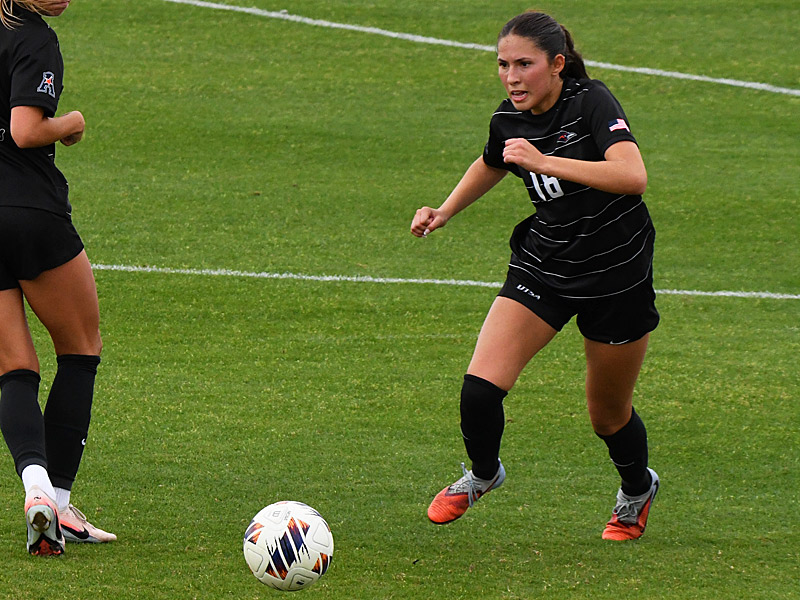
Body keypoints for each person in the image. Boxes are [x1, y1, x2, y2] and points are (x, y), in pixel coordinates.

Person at [411, 11, 660, 541]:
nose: (512, 76)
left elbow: (631, 176)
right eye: (503, 65)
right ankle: (482, 475)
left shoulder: (592, 101)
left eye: (524, 64)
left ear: (557, 65)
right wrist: (446, 210)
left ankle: (636, 489)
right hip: (545, 266)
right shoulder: (510, 118)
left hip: (616, 278)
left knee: (608, 416)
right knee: (479, 390)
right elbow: (493, 160)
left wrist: (547, 162)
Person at [0, 0, 116, 555]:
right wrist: (69, 124)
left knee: (13, 367)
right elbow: (26, 130)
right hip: (29, 212)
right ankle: (62, 505)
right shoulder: (34, 37)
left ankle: (36, 490)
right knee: (80, 349)